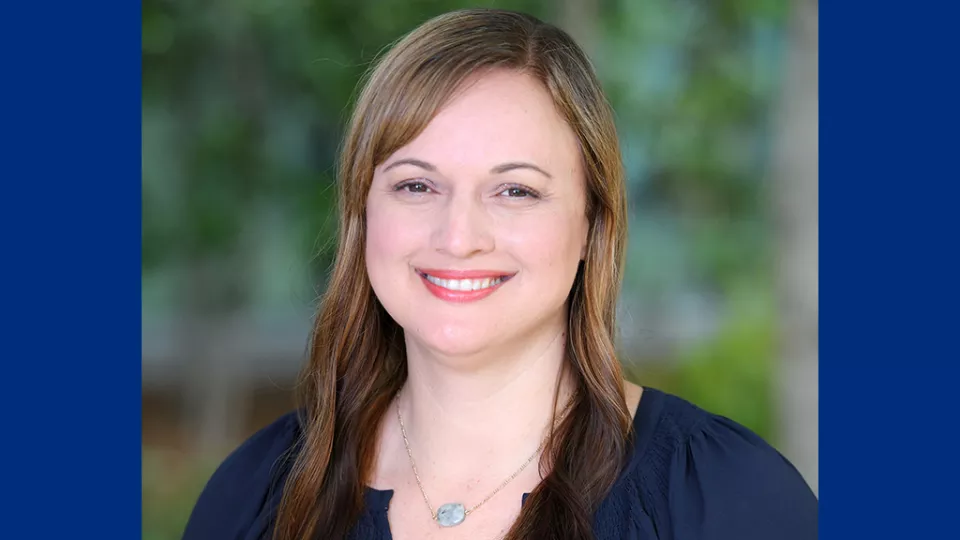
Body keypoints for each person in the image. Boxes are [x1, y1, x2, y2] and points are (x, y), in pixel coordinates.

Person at [182, 8, 817, 540]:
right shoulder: (255, 497)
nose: (458, 238)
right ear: (362, 211)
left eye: (514, 191)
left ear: (593, 224)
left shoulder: (728, 502)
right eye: (416, 184)